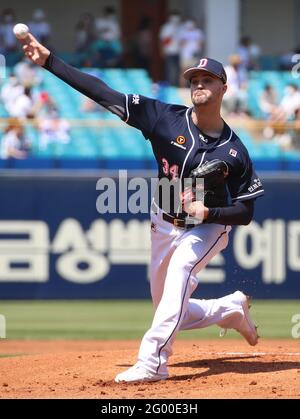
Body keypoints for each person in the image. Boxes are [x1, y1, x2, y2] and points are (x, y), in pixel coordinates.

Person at [18, 32, 264, 383]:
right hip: (162, 222)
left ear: (224, 88)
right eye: (194, 79)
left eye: (207, 79)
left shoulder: (234, 151)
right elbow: (104, 94)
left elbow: (246, 212)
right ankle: (229, 308)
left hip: (206, 229)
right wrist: (49, 61)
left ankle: (153, 362)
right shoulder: (163, 118)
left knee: (181, 274)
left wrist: (209, 214)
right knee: (168, 305)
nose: (198, 83)